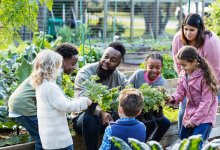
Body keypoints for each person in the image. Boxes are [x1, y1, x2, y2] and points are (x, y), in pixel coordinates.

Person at [8, 43, 79, 150]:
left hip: (20, 104)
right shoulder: (55, 74)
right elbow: (60, 100)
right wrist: (78, 103)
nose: (74, 67)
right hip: (26, 106)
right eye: (73, 64)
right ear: (62, 61)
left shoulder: (46, 73)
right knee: (44, 138)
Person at [30, 50, 92, 150]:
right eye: (59, 67)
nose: (60, 70)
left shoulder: (41, 85)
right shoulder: (50, 87)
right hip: (59, 140)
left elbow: (58, 102)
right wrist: (84, 101)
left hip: (49, 139)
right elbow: (66, 106)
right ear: (52, 67)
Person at [73, 42, 128, 150]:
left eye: (113, 60)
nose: (107, 61)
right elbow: (83, 100)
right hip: (82, 120)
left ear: (118, 63)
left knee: (123, 116)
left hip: (107, 119)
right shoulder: (85, 72)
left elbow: (128, 90)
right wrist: (101, 112)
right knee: (90, 117)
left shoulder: (118, 76)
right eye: (106, 57)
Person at [172, 13, 220, 131]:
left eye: (192, 30)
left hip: (209, 81)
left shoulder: (210, 41)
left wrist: (213, 90)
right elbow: (179, 65)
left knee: (205, 110)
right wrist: (184, 84)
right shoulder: (178, 38)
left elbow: (215, 69)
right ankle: (183, 139)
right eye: (185, 29)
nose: (188, 33)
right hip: (189, 81)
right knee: (184, 109)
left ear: (200, 30)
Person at [169, 46, 218, 149]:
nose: (182, 68)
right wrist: (172, 98)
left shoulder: (204, 78)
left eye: (184, 65)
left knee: (195, 144)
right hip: (190, 112)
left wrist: (194, 121)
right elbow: (180, 92)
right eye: (180, 65)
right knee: (184, 140)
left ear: (194, 62)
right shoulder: (184, 74)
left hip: (205, 115)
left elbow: (206, 103)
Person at [128, 53, 170, 142]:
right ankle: (140, 144)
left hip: (150, 109)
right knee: (150, 123)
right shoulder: (138, 74)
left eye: (158, 67)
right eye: (151, 67)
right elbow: (127, 87)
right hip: (133, 107)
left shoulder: (161, 81)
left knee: (165, 123)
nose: (154, 70)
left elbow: (157, 101)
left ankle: (152, 144)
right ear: (146, 66)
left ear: (161, 67)